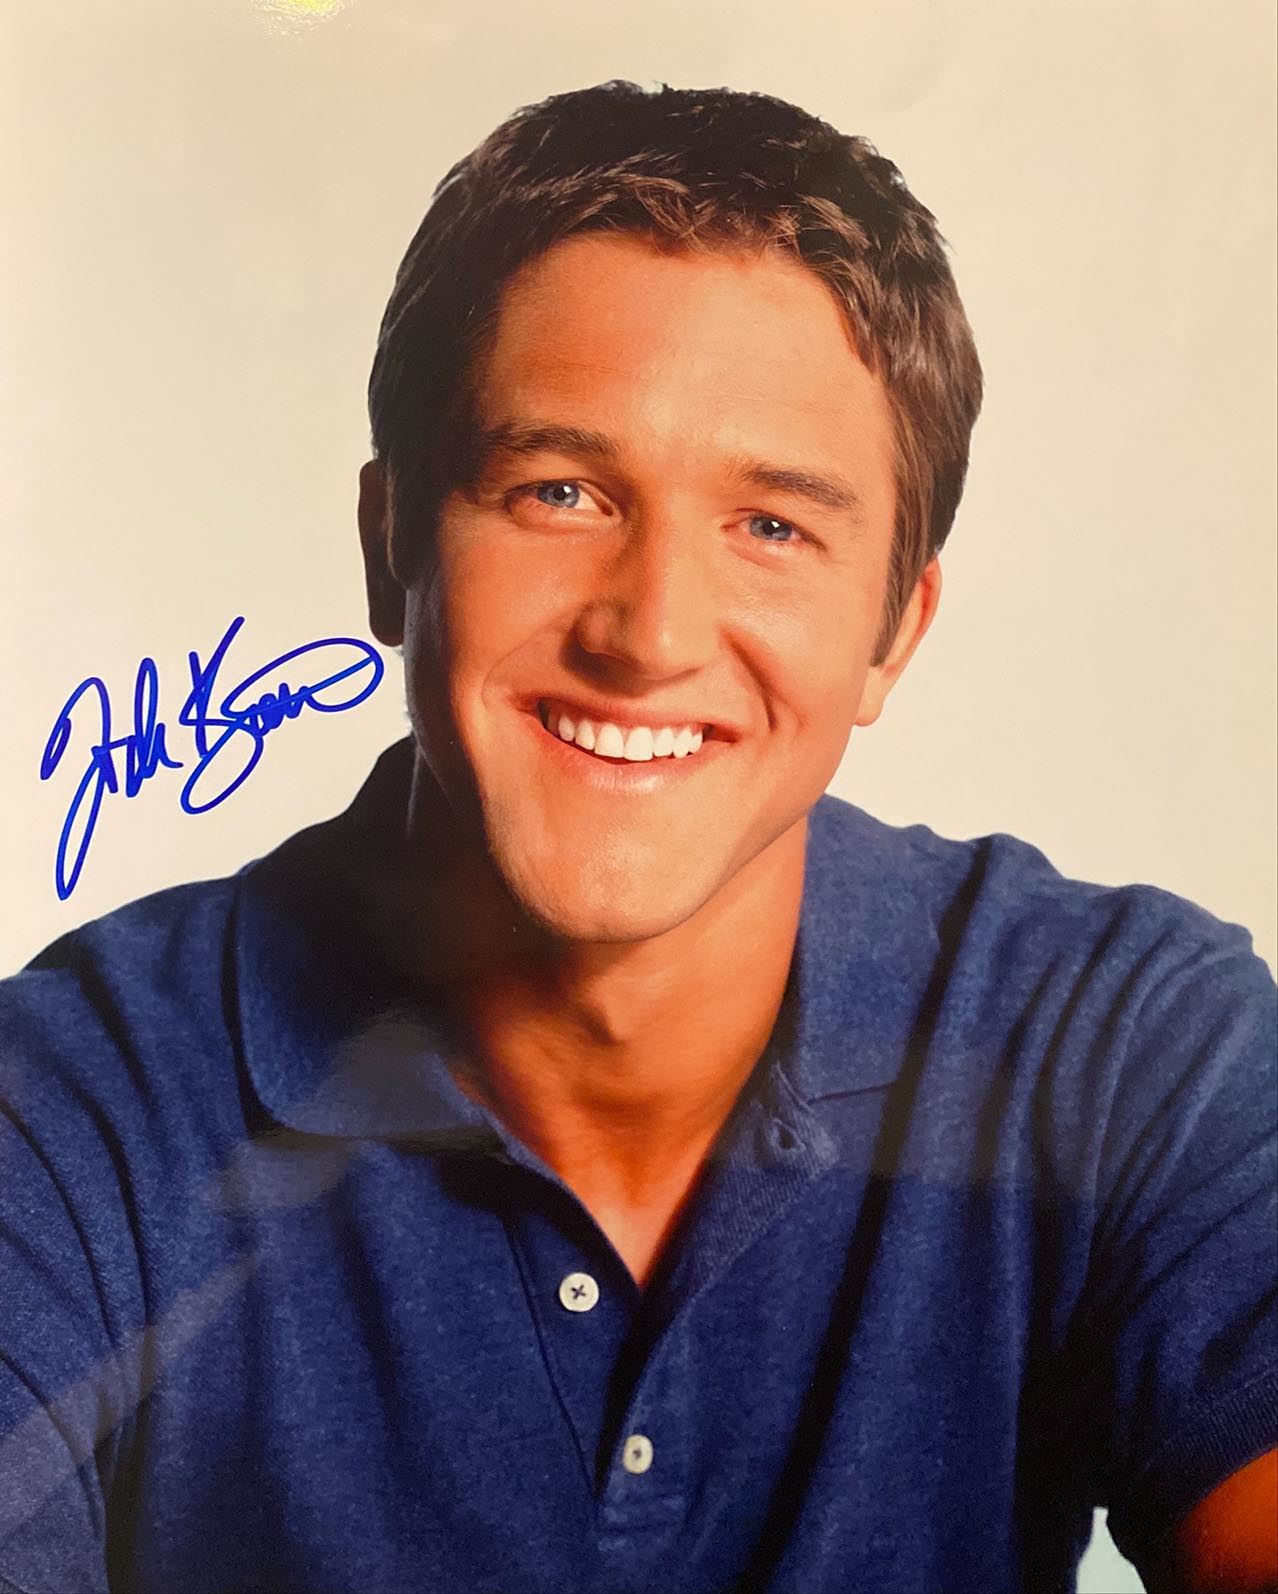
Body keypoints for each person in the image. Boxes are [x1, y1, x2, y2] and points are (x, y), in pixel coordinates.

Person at [1, 80, 1274, 1594]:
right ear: (389, 544)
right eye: (559, 491)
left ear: (894, 632)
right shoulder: (69, 1106)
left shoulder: (1122, 1043)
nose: (651, 633)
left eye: (773, 526)